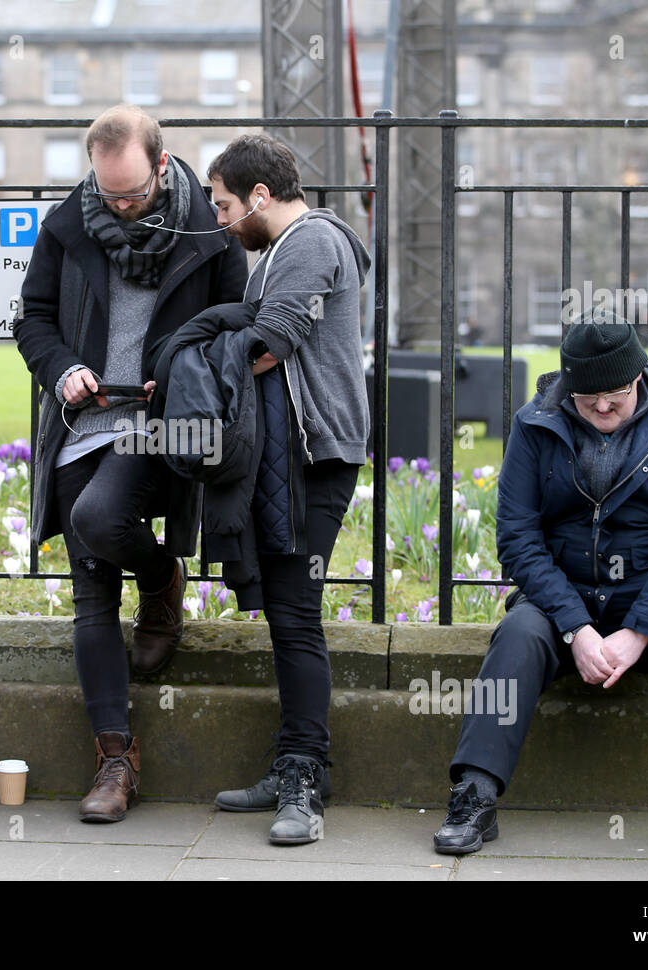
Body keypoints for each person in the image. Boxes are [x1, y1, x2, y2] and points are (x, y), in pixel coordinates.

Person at [433, 308, 648, 855]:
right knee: (517, 633)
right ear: (568, 389)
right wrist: (576, 627)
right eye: (588, 400)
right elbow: (518, 537)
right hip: (562, 597)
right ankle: (475, 793)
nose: (602, 408)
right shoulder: (534, 424)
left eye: (616, 397)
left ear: (638, 379)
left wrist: (640, 628)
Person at [15, 104, 247, 822]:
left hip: (161, 424)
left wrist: (181, 373)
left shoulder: (209, 228)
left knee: (96, 517)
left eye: (133, 193)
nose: (119, 204)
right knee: (89, 588)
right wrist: (63, 370)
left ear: (161, 161)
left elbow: (237, 321)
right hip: (84, 417)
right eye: (109, 193)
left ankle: (157, 575)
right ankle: (115, 760)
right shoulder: (67, 222)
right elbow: (34, 318)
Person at [204, 133, 371, 845]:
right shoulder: (281, 249)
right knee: (284, 614)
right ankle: (297, 763)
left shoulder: (309, 242)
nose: (218, 219)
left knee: (297, 614)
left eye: (223, 205)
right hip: (292, 454)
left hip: (315, 453)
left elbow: (267, 344)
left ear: (260, 197)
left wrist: (192, 362)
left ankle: (304, 777)